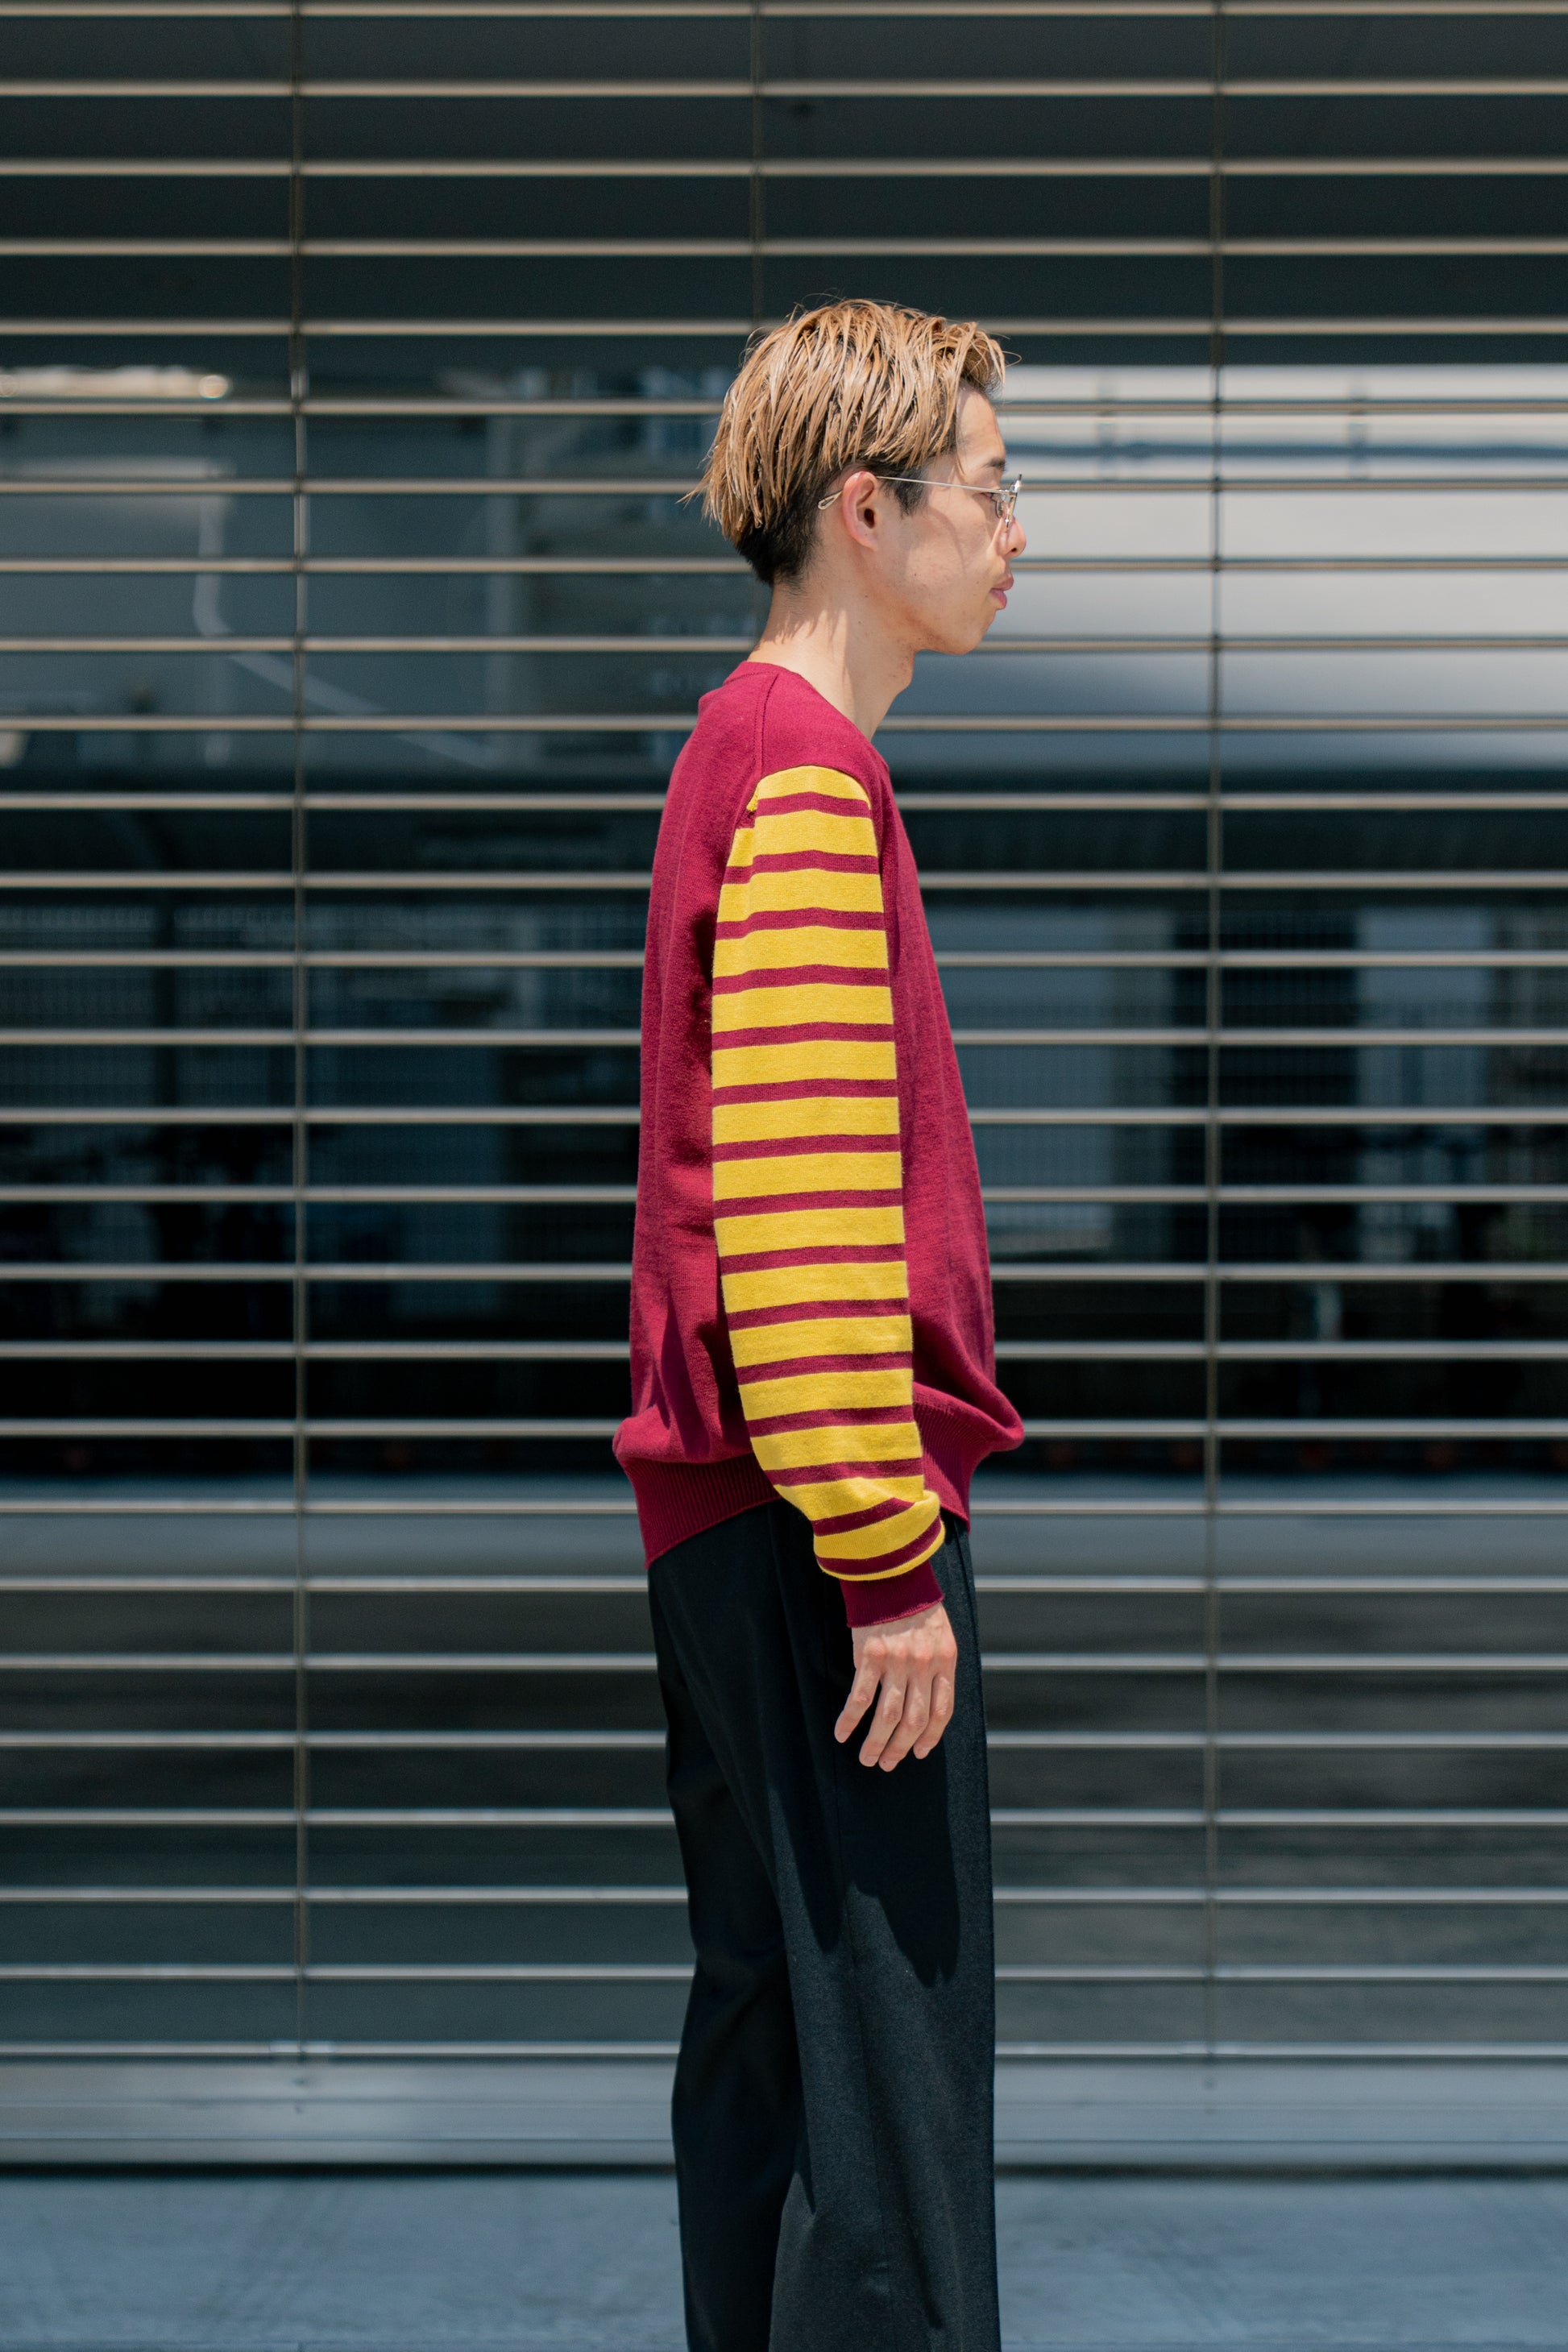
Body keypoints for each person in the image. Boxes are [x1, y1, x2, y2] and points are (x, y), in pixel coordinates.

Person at [612, 297, 1027, 2352]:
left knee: (778, 2057)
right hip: (812, 1528)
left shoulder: (741, 750)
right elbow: (796, 1204)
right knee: (888, 2101)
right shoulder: (801, 769)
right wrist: (881, 1554)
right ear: (867, 510)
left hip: (730, 1517)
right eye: (989, 486)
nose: (1015, 531)